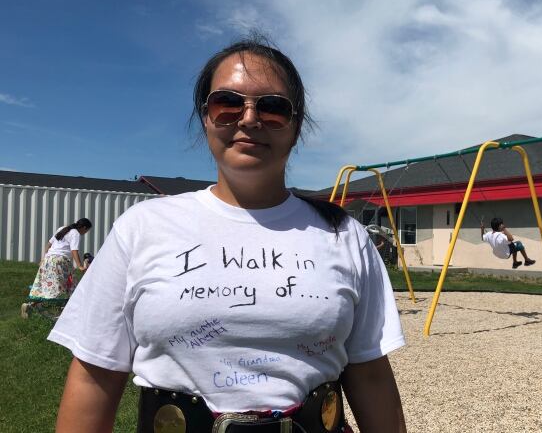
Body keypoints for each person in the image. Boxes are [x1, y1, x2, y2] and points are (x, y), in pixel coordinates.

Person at [48, 35, 407, 433]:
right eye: (228, 104)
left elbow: (371, 375)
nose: (249, 119)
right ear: (205, 117)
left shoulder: (345, 236)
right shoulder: (141, 227)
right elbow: (94, 374)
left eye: (272, 108)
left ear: (296, 124)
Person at [21, 218, 92, 318]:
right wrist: (80, 266)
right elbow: (74, 251)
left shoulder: (62, 229)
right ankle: (64, 313)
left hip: (48, 260)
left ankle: (30, 305)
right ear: (84, 228)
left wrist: (44, 258)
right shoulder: (75, 233)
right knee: (70, 285)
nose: (85, 233)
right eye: (86, 231)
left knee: (45, 286)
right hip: (59, 261)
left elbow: (49, 244)